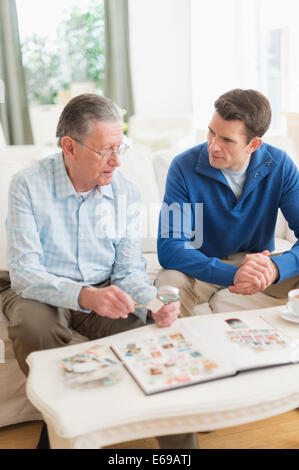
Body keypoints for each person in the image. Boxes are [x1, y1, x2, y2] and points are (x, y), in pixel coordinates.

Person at [0, 94, 198, 449]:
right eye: (106, 150)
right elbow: (25, 273)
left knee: (146, 337)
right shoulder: (27, 185)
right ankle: (65, 424)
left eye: (120, 147)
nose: (116, 161)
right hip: (38, 290)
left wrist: (153, 303)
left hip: (103, 285)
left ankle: (181, 448)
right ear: (69, 147)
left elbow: (128, 270)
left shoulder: (125, 192)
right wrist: (84, 296)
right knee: (33, 326)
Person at [157, 88, 299, 316]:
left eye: (226, 140)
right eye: (211, 132)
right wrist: (232, 275)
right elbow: (170, 247)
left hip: (256, 267)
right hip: (199, 266)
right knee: (169, 283)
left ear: (253, 145)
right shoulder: (182, 167)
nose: (213, 145)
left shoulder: (280, 166)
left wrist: (275, 268)